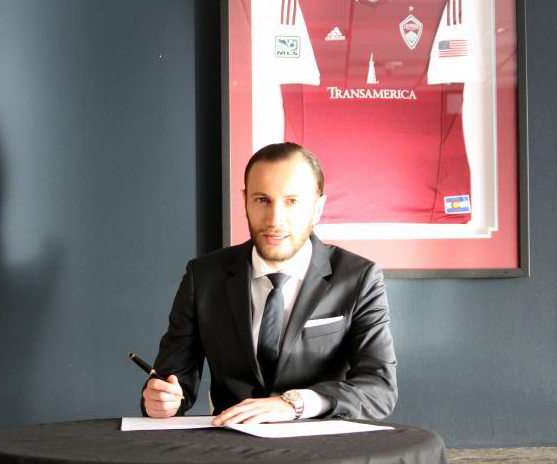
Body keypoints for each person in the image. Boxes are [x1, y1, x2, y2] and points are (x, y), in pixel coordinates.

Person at [141, 142, 397, 425]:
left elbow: (379, 389)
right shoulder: (202, 276)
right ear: (245, 201)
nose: (275, 220)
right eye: (262, 200)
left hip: (320, 443)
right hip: (231, 442)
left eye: (292, 201)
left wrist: (294, 404)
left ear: (318, 208)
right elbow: (172, 380)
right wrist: (161, 401)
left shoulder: (360, 278)